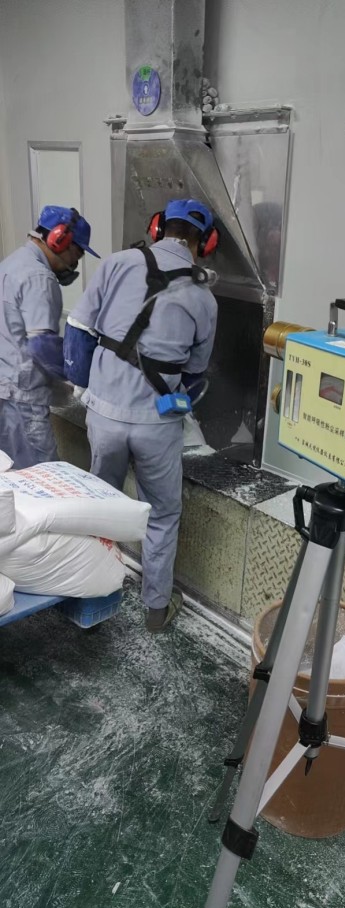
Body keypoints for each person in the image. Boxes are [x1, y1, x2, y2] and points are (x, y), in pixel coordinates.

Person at [63, 198, 219, 633]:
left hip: (104, 414)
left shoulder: (117, 263)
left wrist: (83, 385)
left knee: (101, 508)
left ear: (157, 228)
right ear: (206, 243)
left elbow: (78, 328)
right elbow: (196, 373)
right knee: (162, 515)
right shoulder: (204, 297)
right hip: (157, 424)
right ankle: (155, 610)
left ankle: (90, 600)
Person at [0, 205, 100, 468]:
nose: (75, 264)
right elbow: (42, 345)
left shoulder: (11, 263)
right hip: (21, 398)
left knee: (8, 474)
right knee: (42, 474)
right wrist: (79, 375)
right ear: (59, 240)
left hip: (5, 387)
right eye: (77, 254)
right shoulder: (39, 277)